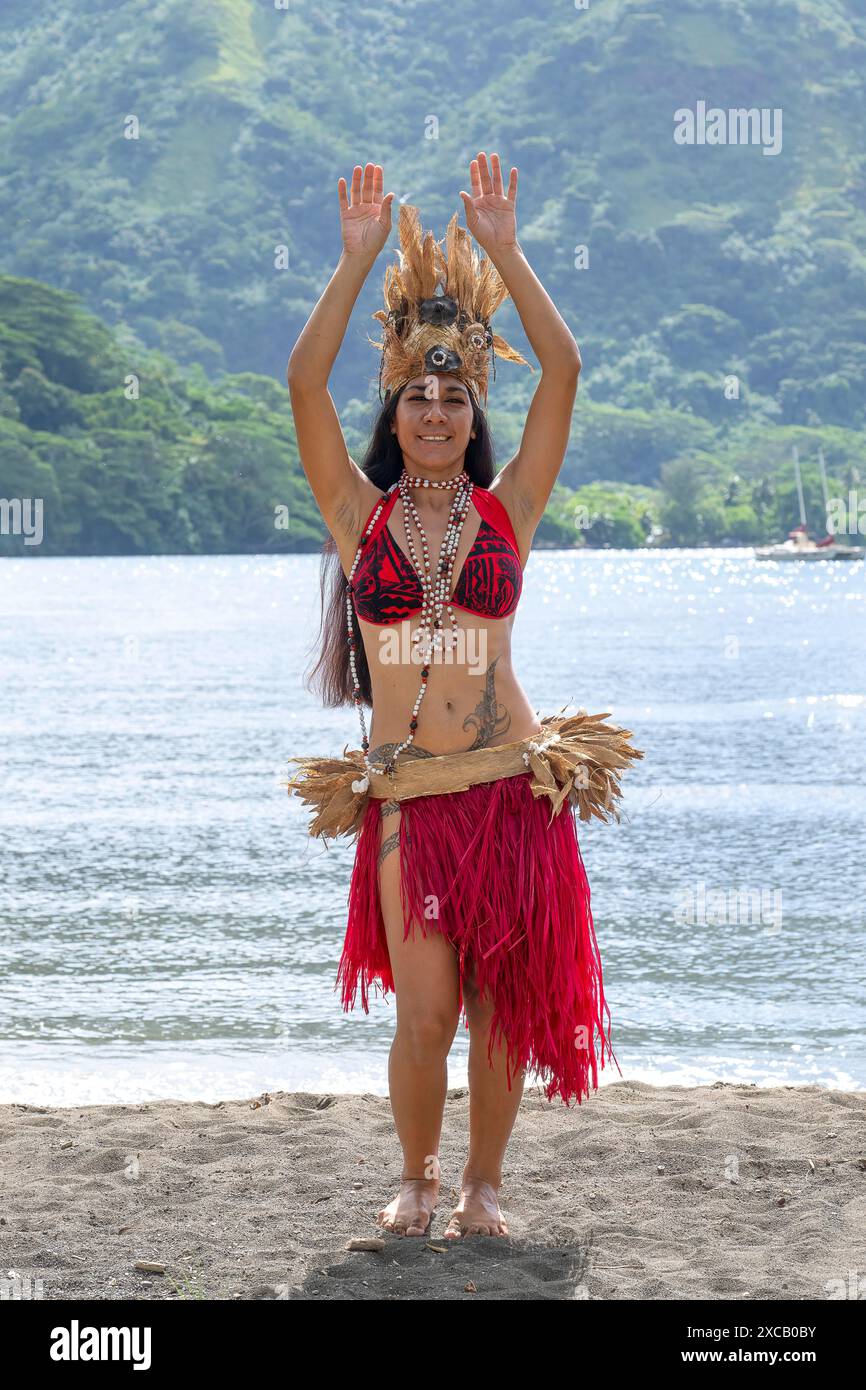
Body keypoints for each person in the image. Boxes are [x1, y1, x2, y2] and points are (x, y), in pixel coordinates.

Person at [286, 154, 642, 1240]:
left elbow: (567, 369)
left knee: (497, 1013)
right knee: (425, 1010)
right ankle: (416, 1176)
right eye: (416, 396)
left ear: (470, 407)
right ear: (392, 414)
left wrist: (506, 252)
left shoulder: (508, 510)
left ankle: (484, 1187)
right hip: (410, 794)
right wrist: (352, 265)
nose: (435, 412)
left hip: (511, 786)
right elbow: (303, 383)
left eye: (452, 395)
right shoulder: (358, 516)